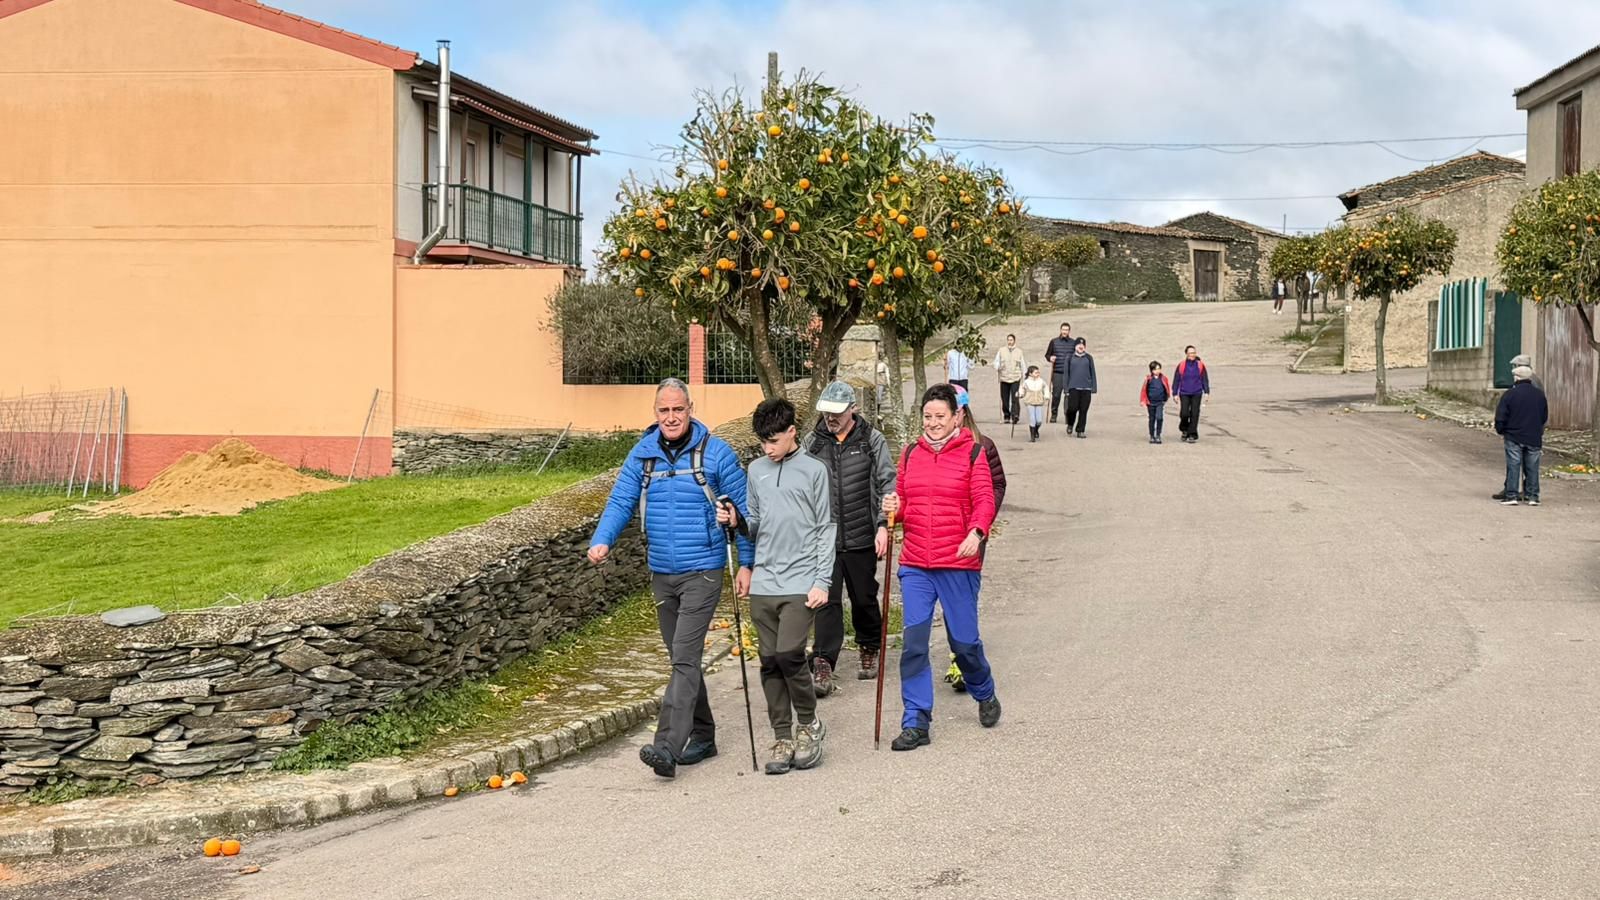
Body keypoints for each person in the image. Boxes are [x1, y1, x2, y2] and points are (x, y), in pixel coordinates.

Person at [589, 378, 754, 780]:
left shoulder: (716, 454)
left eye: (678, 410)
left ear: (690, 409)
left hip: (704, 569)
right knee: (682, 660)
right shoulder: (642, 456)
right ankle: (704, 734)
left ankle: (666, 745)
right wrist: (601, 540)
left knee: (683, 655)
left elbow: (744, 511)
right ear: (655, 413)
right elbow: (620, 501)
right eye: (663, 411)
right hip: (661, 572)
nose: (671, 417)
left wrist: (746, 564)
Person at [881, 384, 1001, 751]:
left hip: (958, 562)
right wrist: (891, 509)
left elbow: (984, 498)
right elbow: (902, 506)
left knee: (963, 644)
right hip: (916, 562)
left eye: (940, 417)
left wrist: (977, 532)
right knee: (914, 644)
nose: (933, 423)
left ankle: (984, 691)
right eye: (928, 417)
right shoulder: (910, 453)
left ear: (956, 417)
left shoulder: (973, 453)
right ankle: (916, 720)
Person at [718, 398, 835, 775]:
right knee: (769, 662)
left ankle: (810, 724)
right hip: (765, 581)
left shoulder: (815, 470)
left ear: (791, 433)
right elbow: (754, 524)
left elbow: (825, 528)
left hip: (802, 581)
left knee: (789, 654)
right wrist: (736, 520)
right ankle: (782, 734)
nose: (767, 448)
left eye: (773, 441)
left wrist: (822, 580)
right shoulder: (756, 471)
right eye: (762, 442)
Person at [806, 381, 896, 693]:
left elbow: (887, 483)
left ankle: (870, 645)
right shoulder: (812, 444)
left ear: (852, 409)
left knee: (864, 598)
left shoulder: (872, 440)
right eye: (826, 412)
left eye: (837, 413)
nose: (831, 418)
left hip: (862, 535)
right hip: (824, 540)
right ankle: (823, 661)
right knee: (826, 602)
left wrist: (884, 524)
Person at [1493, 363, 1548, 506]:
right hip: (1533, 436)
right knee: (1532, 467)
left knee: (1514, 465)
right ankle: (1533, 496)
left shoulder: (1510, 394)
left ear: (1516, 378)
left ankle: (1512, 495)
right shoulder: (1539, 395)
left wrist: (1501, 429)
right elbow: (1544, 416)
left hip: (1514, 435)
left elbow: (1501, 416)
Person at [1043, 322, 1082, 424]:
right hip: (1057, 372)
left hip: (1070, 373)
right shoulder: (1054, 342)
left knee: (1068, 395)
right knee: (1056, 395)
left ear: (1069, 331)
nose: (1065, 332)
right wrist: (1050, 358)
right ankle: (1054, 414)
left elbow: (1077, 355)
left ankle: (1067, 416)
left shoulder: (1073, 343)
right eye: (1063, 330)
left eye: (1067, 330)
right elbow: (1047, 355)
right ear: (1060, 330)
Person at [1173, 345, 1210, 443]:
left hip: (1197, 392)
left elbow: (1204, 379)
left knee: (1195, 413)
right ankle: (1184, 429)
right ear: (1186, 354)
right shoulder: (1181, 365)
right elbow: (1176, 380)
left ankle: (1192, 434)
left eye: (1194, 353)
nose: (1192, 355)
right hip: (1184, 392)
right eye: (1190, 353)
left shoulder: (1200, 365)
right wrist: (1175, 393)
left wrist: (1206, 392)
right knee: (1184, 413)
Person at [1064, 339, 1098, 438]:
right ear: (1075, 346)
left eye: (1083, 345)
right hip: (1073, 387)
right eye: (1079, 344)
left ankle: (1080, 430)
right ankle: (1070, 424)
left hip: (1086, 388)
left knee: (1084, 410)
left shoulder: (1088, 358)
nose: (1081, 346)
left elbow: (1093, 372)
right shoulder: (1070, 358)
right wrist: (1066, 388)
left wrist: (1094, 387)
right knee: (1072, 408)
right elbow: (1066, 374)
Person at [992, 334, 1026, 425]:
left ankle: (1015, 415)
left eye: (1011, 340)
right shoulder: (1001, 351)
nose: (1010, 342)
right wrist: (997, 367)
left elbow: (1022, 364)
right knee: (1004, 398)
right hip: (1004, 377)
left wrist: (1025, 375)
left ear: (1014, 341)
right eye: (1008, 340)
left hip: (1015, 377)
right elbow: (996, 362)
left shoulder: (1019, 352)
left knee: (1015, 397)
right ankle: (1006, 415)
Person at [1139, 360, 1173, 444]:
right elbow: (1144, 390)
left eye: (1159, 369)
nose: (1158, 371)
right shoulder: (1148, 379)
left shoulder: (1163, 378)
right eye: (1156, 369)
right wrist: (1143, 400)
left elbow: (1166, 388)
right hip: (1150, 402)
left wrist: (1166, 397)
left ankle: (1158, 435)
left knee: (1159, 418)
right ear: (1152, 370)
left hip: (1160, 402)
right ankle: (1152, 435)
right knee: (1152, 419)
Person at [1020, 365, 1050, 442]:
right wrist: (1020, 394)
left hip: (1039, 402)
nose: (1038, 374)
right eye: (1036, 372)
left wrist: (1047, 396)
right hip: (1030, 402)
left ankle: (1036, 429)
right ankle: (1032, 436)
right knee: (1032, 418)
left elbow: (1046, 388)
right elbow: (1022, 389)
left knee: (1039, 420)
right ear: (1030, 374)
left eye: (1038, 372)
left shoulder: (1041, 381)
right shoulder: (1026, 382)